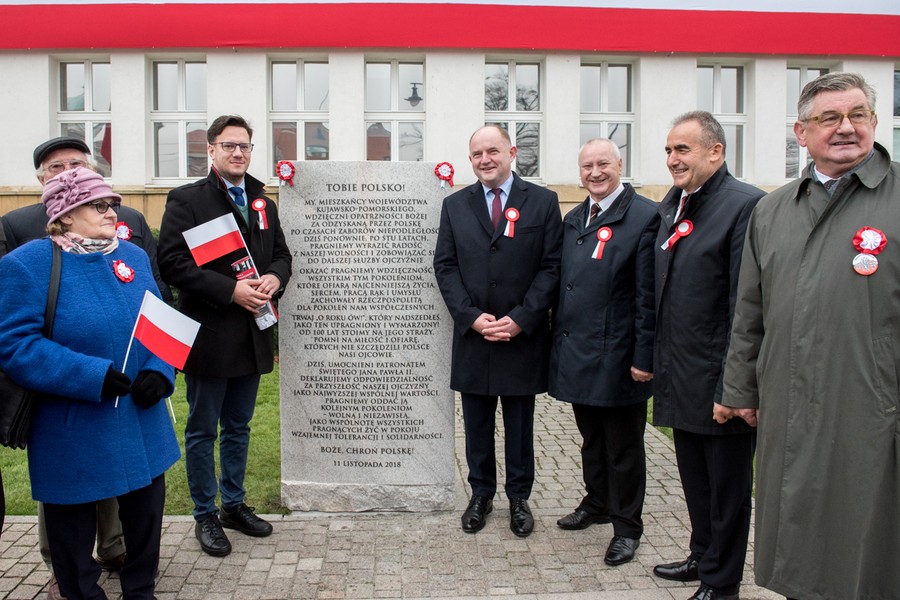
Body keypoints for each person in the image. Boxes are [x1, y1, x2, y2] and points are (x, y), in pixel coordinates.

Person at [717, 72, 900, 600]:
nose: (845, 128)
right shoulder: (773, 210)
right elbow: (750, 310)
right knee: (798, 534)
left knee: (869, 544)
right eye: (829, 118)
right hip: (789, 398)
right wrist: (740, 389)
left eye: (857, 115)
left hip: (873, 401)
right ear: (801, 132)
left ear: (874, 122)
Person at [0, 136, 170, 600]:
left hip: (140, 419)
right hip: (72, 423)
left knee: (144, 517)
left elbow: (160, 323)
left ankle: (141, 591)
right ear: (65, 214)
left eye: (112, 203)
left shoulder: (132, 256)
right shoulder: (27, 264)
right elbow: (15, 345)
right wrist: (90, 375)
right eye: (99, 205)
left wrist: (161, 372)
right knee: (72, 534)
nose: (112, 211)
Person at [157, 114, 292, 557]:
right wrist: (230, 290)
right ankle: (205, 514)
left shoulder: (262, 201)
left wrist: (274, 278)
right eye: (229, 145)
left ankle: (233, 505)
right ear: (211, 150)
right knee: (202, 430)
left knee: (238, 427)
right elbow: (172, 263)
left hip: (253, 333)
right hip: (211, 335)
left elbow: (282, 255)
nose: (238, 153)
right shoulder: (188, 200)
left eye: (245, 146)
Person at [651, 111, 764, 600]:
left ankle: (723, 582)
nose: (673, 159)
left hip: (720, 381)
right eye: (669, 150)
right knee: (696, 481)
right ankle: (703, 556)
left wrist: (733, 388)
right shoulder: (675, 203)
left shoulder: (743, 206)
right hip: (681, 374)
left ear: (716, 151)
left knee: (727, 491)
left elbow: (745, 304)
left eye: (683, 149)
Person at [433, 125, 562, 538]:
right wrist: (470, 316)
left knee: (520, 426)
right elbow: (445, 266)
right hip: (475, 336)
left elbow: (552, 266)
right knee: (476, 424)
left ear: (512, 152)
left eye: (492, 151)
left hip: (520, 337)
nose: (485, 160)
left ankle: (519, 498)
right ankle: (481, 494)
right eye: (477, 154)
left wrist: (523, 317)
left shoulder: (542, 202)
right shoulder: (455, 205)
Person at [548, 138, 657, 566]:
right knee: (591, 439)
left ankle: (627, 527)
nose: (595, 173)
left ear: (620, 165)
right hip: (579, 352)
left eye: (603, 164)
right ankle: (597, 503)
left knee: (623, 448)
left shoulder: (644, 217)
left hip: (619, 358)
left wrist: (644, 357)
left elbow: (647, 297)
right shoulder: (575, 218)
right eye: (587, 166)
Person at [1, 136, 172, 303]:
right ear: (41, 179)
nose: (68, 171)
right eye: (56, 166)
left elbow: (155, 285)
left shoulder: (131, 220)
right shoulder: (17, 225)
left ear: (93, 171)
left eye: (76, 164)